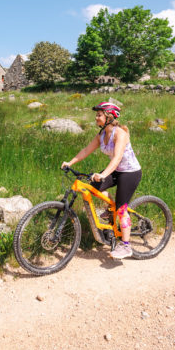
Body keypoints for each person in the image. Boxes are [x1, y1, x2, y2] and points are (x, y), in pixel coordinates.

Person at [60, 102, 141, 259]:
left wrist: (103, 174)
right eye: (96, 115)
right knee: (95, 186)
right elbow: (86, 150)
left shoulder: (120, 134)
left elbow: (117, 158)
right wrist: (70, 162)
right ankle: (111, 211)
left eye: (99, 115)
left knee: (122, 209)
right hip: (116, 170)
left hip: (130, 172)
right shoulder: (102, 135)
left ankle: (126, 246)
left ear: (109, 117)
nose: (96, 117)